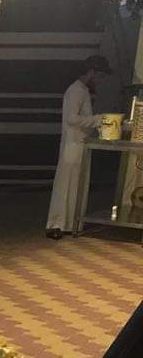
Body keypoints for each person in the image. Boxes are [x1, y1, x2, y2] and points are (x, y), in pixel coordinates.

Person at [46, 54, 112, 239]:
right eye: (99, 77)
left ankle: (68, 223)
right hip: (73, 145)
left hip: (79, 144)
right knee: (66, 185)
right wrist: (99, 120)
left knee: (75, 186)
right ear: (91, 72)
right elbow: (72, 118)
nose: (100, 81)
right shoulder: (76, 91)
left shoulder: (81, 90)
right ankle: (57, 224)